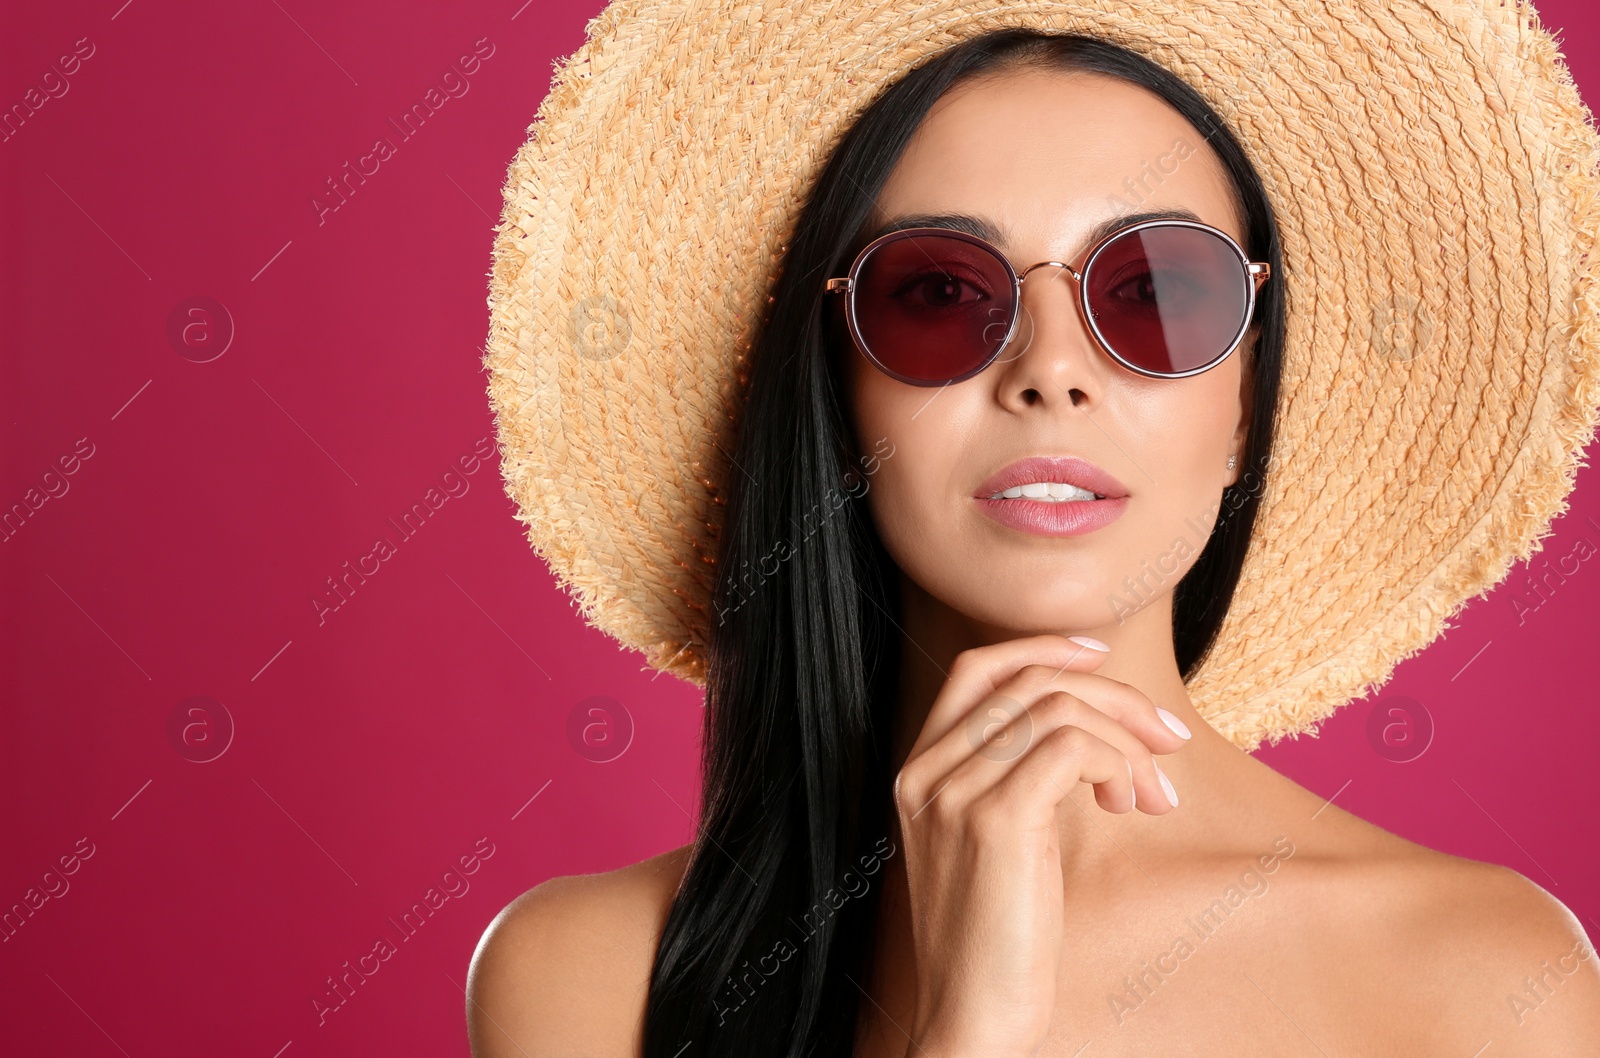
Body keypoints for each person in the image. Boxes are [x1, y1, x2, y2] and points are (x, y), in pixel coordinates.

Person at [469, 5, 1600, 1056]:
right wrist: (973, 1024)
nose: (1051, 370)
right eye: (938, 294)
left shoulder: (1489, 980)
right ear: (833, 391)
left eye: (1153, 291)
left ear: (1247, 405)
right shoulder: (591, 976)